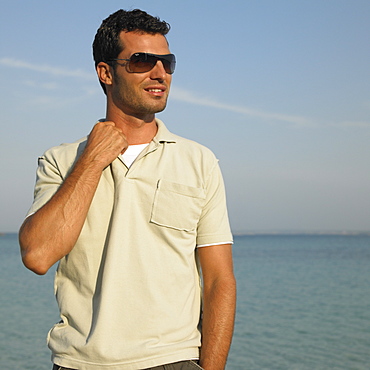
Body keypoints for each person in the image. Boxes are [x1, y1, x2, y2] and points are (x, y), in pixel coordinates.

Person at [19, 9, 236, 370]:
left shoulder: (200, 161)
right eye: (142, 61)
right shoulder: (61, 160)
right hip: (80, 363)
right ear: (105, 72)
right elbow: (38, 255)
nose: (159, 73)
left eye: (167, 62)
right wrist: (91, 160)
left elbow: (218, 281)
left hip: (173, 360)